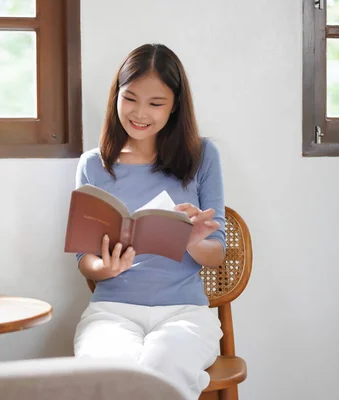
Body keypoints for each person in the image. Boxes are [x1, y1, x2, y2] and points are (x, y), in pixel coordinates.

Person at [73, 43, 226, 400]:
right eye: (130, 98)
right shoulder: (93, 165)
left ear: (175, 107)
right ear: (116, 97)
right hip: (111, 312)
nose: (140, 113)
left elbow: (216, 255)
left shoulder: (203, 157)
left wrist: (192, 241)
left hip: (185, 313)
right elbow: (84, 259)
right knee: (112, 376)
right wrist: (104, 268)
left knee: (163, 369)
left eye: (156, 103)